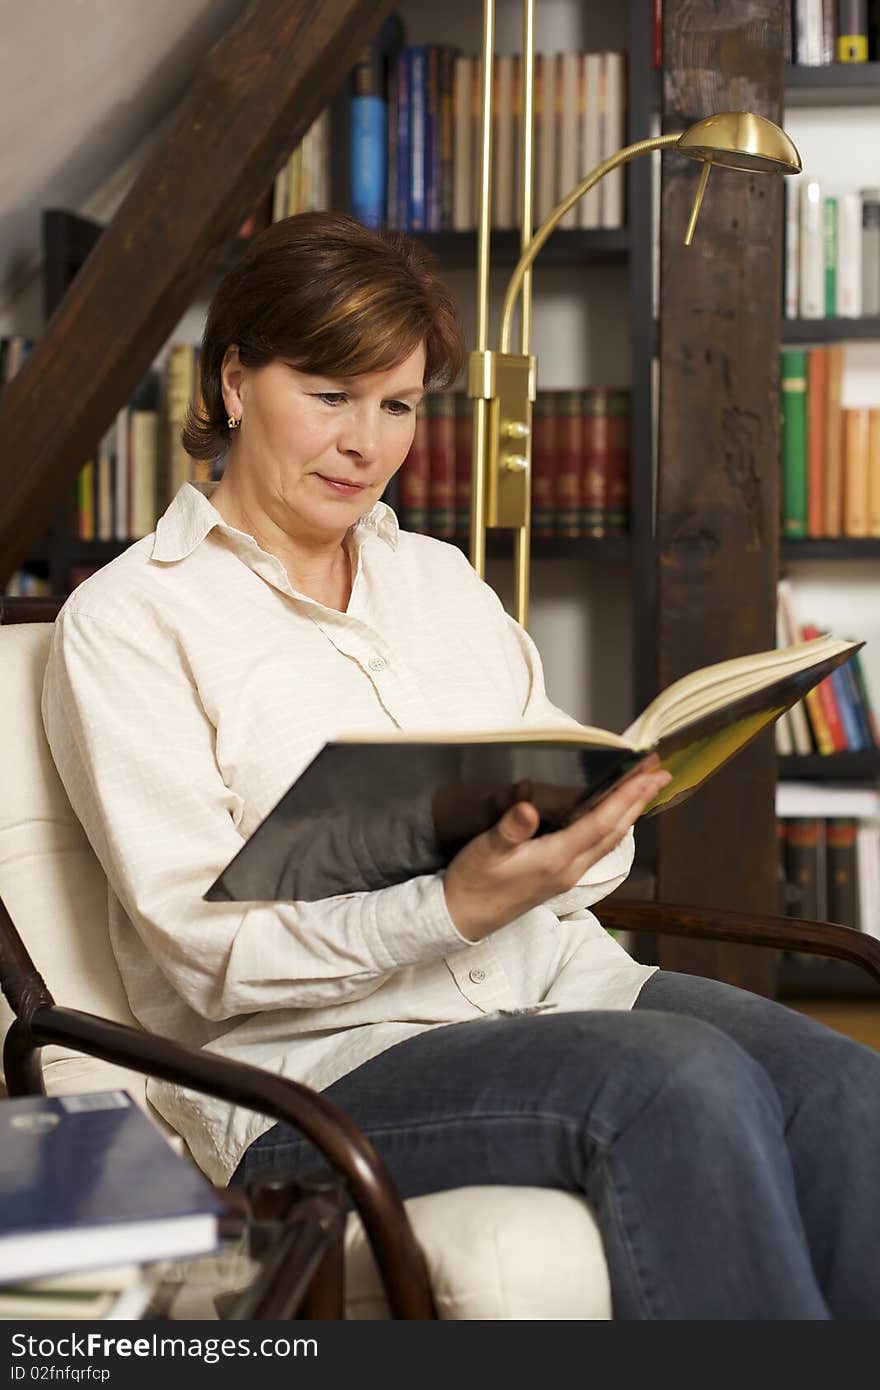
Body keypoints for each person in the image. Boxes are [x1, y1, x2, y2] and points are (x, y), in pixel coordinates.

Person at [42, 210, 880, 1321]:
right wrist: (450, 905)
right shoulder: (132, 620)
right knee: (680, 1078)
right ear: (234, 381)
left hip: (559, 987)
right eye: (330, 396)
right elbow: (204, 957)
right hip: (317, 1070)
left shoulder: (438, 582)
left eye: (398, 405)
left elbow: (577, 848)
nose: (367, 444)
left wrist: (589, 826)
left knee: (843, 1086)